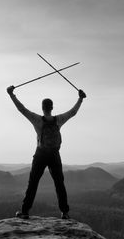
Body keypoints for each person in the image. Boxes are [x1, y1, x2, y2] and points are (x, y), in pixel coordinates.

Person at [7, 85, 86, 219]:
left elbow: (22, 109)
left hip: (41, 154)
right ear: (52, 107)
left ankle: (25, 211)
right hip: (54, 155)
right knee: (59, 183)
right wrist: (80, 99)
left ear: (43, 108)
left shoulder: (37, 120)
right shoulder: (58, 120)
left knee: (33, 183)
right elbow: (73, 112)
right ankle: (65, 213)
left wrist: (11, 94)